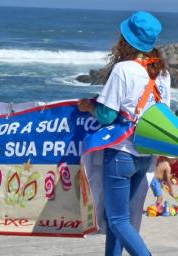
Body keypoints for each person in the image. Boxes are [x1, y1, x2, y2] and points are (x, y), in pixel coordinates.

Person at [78, 11, 170, 256]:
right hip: (146, 153)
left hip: (122, 152)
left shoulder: (124, 69)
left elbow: (107, 116)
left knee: (116, 220)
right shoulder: (162, 73)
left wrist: (89, 106)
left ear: (126, 39)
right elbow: (163, 114)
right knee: (122, 221)